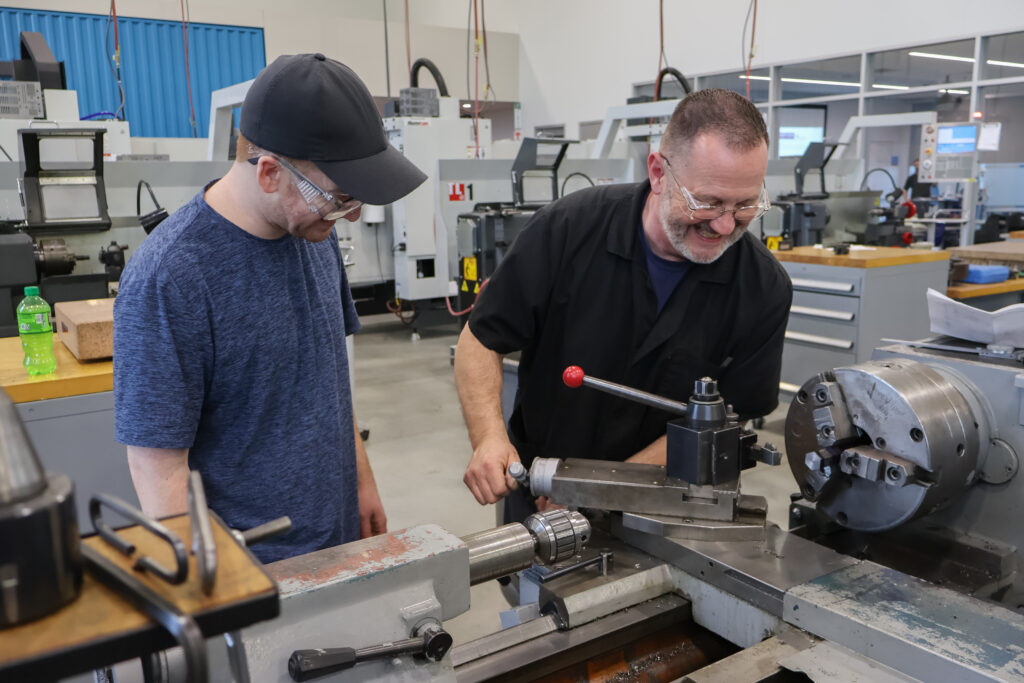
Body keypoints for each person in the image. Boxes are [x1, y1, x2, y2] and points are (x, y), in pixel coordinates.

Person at [114, 54, 427, 563]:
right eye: (339, 197)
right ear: (267, 173)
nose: (352, 214)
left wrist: (361, 479)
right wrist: (211, 588)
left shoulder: (313, 234)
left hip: (337, 540)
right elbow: (159, 468)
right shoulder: (170, 277)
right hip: (253, 569)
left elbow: (327, 378)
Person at [455, 88, 792, 523]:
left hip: (675, 504)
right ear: (657, 172)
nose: (725, 225)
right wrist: (488, 438)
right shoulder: (566, 231)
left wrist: (600, 488)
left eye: (745, 205)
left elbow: (728, 418)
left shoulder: (763, 288)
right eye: (706, 202)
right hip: (541, 488)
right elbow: (481, 338)